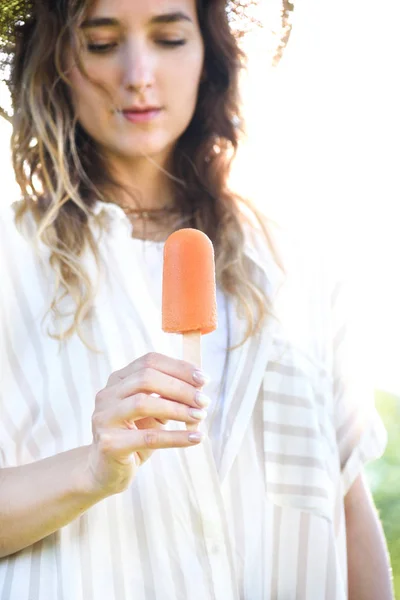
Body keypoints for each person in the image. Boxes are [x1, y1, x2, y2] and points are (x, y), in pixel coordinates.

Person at [0, 0, 394, 598]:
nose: (138, 74)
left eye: (169, 38)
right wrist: (88, 471)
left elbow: (343, 502)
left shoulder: (298, 265)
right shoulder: (11, 262)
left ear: (209, 53)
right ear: (56, 62)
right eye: (102, 43)